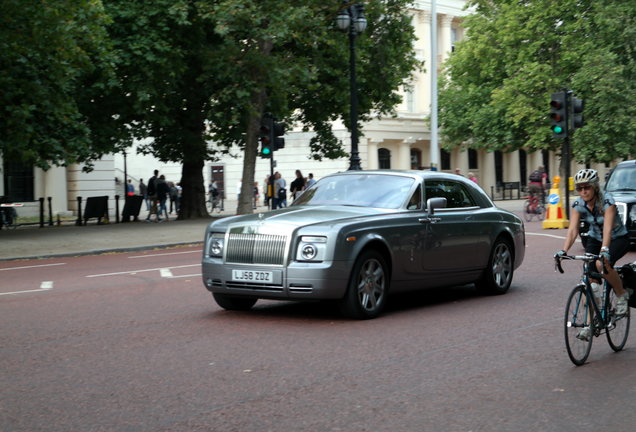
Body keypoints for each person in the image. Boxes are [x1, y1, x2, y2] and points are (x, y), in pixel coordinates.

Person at [555, 168, 630, 340]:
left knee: (601, 264)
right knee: (590, 281)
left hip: (617, 237)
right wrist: (564, 250)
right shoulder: (578, 204)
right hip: (595, 239)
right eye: (580, 188)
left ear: (595, 187)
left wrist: (604, 251)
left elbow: (608, 228)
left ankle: (621, 295)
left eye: (586, 187)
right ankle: (589, 325)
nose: (583, 192)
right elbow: (573, 230)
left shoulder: (607, 201)